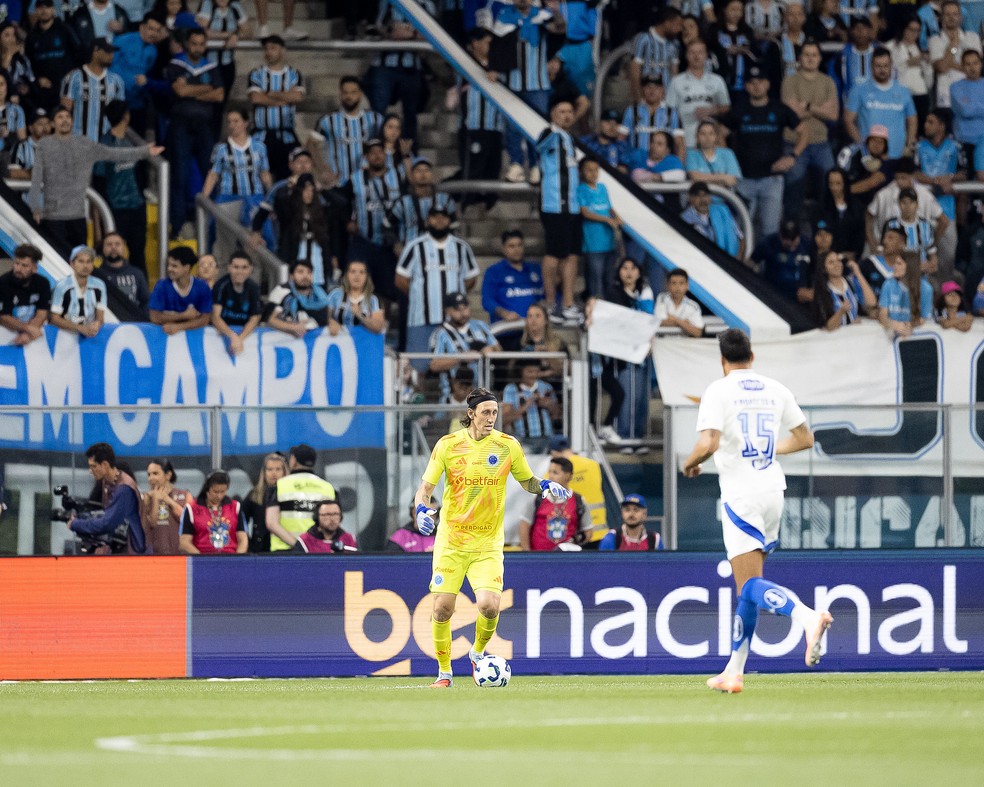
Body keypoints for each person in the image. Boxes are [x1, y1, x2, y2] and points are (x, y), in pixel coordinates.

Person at [682, 328, 832, 694]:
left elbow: (709, 442)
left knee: (749, 585)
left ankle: (807, 616)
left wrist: (689, 464)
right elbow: (805, 439)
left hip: (742, 494)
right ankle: (733, 671)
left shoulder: (718, 390)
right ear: (752, 356)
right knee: (748, 589)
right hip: (772, 491)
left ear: (722, 360)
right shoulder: (775, 388)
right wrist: (766, 448)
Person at [412, 386, 573, 687]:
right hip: (451, 541)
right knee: (442, 608)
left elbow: (527, 480)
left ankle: (477, 652)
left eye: (495, 413)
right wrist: (421, 509)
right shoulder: (448, 445)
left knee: (489, 606)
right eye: (485, 412)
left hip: (487, 543)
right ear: (471, 413)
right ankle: (445, 673)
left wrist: (545, 486)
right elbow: (426, 489)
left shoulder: (507, 446)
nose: (491, 418)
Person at [28, 105, 162, 253]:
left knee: (80, 258)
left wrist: (145, 151)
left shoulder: (84, 144)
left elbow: (113, 154)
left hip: (77, 215)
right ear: (53, 123)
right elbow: (36, 178)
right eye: (60, 117)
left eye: (67, 117)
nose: (65, 120)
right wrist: (35, 207)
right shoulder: (44, 145)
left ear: (72, 120)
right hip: (53, 217)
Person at [721, 64, 808, 241]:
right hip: (744, 179)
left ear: (767, 84)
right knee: (741, 231)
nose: (756, 86)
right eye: (752, 82)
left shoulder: (779, 109)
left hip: (772, 180)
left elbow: (804, 131)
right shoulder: (739, 109)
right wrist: (729, 163)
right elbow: (720, 133)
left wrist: (793, 156)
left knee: (771, 231)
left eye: (760, 81)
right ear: (746, 86)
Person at [493, 0, 566, 184]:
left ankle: (536, 165)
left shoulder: (542, 16)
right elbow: (496, 46)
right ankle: (516, 164)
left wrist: (556, 12)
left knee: (538, 126)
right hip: (511, 83)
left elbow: (560, 29)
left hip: (537, 84)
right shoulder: (504, 17)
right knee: (512, 127)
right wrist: (493, 68)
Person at [165, 26, 225, 239]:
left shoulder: (211, 66)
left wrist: (191, 90)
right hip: (180, 126)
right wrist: (206, 89)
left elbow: (219, 95)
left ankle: (212, 226)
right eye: (194, 44)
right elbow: (179, 92)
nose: (198, 48)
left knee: (211, 174)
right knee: (179, 176)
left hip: (205, 127)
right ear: (187, 44)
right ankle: (177, 225)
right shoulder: (176, 65)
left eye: (201, 44)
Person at [395, 205, 479, 353]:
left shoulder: (461, 247)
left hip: (455, 320)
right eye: (435, 217)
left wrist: (456, 296)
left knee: (455, 362)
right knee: (420, 362)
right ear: (428, 220)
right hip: (421, 319)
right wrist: (419, 295)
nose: (439, 220)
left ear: (449, 221)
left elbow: (471, 278)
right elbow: (400, 279)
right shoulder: (415, 246)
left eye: (443, 217)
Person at [202, 108, 273, 268]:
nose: (232, 125)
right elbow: (213, 175)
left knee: (259, 240)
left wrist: (271, 196)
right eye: (229, 122)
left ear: (246, 123)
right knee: (224, 241)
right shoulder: (221, 149)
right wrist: (204, 199)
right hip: (228, 198)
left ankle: (256, 275)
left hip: (255, 198)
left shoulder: (259, 147)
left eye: (236, 121)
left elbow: (265, 174)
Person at [781, 40, 839, 219]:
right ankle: (791, 227)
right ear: (799, 58)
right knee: (794, 189)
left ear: (820, 58)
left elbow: (833, 115)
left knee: (832, 185)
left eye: (814, 55)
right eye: (806, 55)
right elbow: (792, 113)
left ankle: (827, 223)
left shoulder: (828, 82)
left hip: (821, 143)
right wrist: (820, 109)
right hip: (794, 143)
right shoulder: (789, 81)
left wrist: (807, 105)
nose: (810, 59)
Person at [537, 98, 582, 325]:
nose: (566, 115)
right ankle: (550, 303)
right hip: (555, 204)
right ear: (553, 114)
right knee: (553, 253)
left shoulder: (571, 138)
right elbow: (539, 148)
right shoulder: (549, 134)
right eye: (561, 111)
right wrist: (553, 130)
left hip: (573, 205)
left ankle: (568, 304)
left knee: (572, 254)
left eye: (570, 111)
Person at [94, 100, 149, 275]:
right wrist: (99, 219)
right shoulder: (104, 144)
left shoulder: (132, 141)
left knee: (138, 254)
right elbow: (98, 182)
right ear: (126, 116)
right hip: (115, 209)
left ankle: (140, 288)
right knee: (113, 256)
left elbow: (141, 173)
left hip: (137, 205)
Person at [69, 442, 146, 554]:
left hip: (132, 553)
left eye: (93, 466)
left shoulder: (124, 489)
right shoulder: (108, 482)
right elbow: (106, 514)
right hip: (119, 549)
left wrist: (75, 524)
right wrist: (83, 517)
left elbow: (108, 524)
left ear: (105, 465)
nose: (90, 471)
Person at [247, 33, 305, 181]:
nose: (268, 52)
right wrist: (284, 98)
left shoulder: (294, 74)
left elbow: (297, 97)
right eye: (266, 48)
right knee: (259, 176)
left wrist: (271, 93)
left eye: (273, 48)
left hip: (286, 134)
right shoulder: (256, 73)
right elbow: (255, 98)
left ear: (282, 50)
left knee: (289, 175)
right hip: (261, 134)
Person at [843, 47, 917, 161]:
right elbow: (848, 120)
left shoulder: (903, 91)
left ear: (891, 66)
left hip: (898, 156)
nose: (882, 70)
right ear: (871, 66)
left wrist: (909, 145)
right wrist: (862, 147)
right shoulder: (859, 90)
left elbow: (912, 120)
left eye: (885, 66)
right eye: (878, 66)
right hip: (870, 158)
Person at [311, 75, 383, 187]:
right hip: (338, 183)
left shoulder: (375, 119)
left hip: (368, 182)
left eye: (353, 92)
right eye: (345, 92)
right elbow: (311, 144)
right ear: (340, 94)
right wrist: (323, 169)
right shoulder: (327, 120)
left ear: (360, 94)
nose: (349, 96)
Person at [429, 291, 501, 402]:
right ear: (447, 311)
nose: (463, 313)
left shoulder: (480, 326)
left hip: (484, 395)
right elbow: (434, 365)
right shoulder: (440, 333)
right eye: (457, 309)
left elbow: (499, 349)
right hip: (452, 398)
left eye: (465, 308)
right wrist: (461, 357)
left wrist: (490, 350)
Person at [480, 229, 544, 348]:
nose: (516, 250)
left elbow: (545, 296)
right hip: (506, 333)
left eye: (520, 245)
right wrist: (504, 313)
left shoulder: (535, 269)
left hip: (533, 333)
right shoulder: (494, 272)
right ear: (503, 249)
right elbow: (487, 301)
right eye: (511, 246)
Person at [265, 443, 336, 551]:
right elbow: (333, 522)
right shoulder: (328, 487)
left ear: (293, 460)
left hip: (285, 551)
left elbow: (271, 523)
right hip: (317, 551)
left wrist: (299, 545)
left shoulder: (279, 486)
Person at [666, 38, 731, 149]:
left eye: (700, 52)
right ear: (686, 55)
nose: (696, 56)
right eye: (692, 52)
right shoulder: (676, 81)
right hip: (686, 140)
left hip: (712, 141)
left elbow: (726, 107)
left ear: (706, 55)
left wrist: (712, 110)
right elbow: (669, 111)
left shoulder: (717, 80)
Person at [109, 13, 167, 136]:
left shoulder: (153, 51)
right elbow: (108, 65)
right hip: (116, 99)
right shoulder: (122, 41)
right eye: (151, 29)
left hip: (137, 102)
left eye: (157, 30)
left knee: (136, 138)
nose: (153, 33)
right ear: (142, 27)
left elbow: (147, 71)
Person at [60, 38, 125, 141]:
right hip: (79, 141)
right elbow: (64, 111)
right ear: (95, 51)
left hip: (106, 143)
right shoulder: (73, 77)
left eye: (112, 52)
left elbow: (120, 115)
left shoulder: (117, 81)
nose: (111, 55)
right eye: (107, 51)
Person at [519, 455, 590, 550]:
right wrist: (527, 554)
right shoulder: (537, 498)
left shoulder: (579, 501)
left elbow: (588, 531)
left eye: (555, 473)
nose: (551, 476)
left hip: (566, 557)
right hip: (539, 556)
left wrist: (574, 542)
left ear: (567, 476)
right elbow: (524, 526)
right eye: (550, 472)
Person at [578, 158, 623, 300]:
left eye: (596, 170)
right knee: (595, 279)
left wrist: (617, 218)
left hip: (609, 241)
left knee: (609, 279)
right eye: (589, 170)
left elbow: (609, 208)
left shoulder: (603, 188)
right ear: (581, 171)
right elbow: (585, 212)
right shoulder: (581, 189)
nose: (593, 173)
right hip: (593, 245)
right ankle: (595, 307)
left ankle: (608, 306)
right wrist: (607, 220)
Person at [179, 469, 248, 555]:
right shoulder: (191, 508)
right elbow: (184, 542)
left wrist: (238, 558)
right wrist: (202, 559)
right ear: (207, 489)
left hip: (230, 557)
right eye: (215, 492)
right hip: (202, 557)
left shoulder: (235, 507)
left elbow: (243, 539)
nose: (219, 496)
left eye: (223, 491)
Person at [914, 110, 966, 224]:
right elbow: (915, 174)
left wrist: (949, 177)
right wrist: (936, 181)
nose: (925, 125)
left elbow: (964, 174)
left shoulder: (955, 146)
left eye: (930, 122)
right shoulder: (919, 147)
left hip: (948, 210)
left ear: (942, 126)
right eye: (926, 122)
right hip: (924, 211)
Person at [928, 1, 981, 109]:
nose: (951, 18)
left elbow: (975, 69)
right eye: (947, 14)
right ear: (941, 17)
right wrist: (953, 46)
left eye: (955, 14)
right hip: (946, 96)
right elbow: (942, 68)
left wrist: (950, 63)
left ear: (960, 17)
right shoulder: (935, 40)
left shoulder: (973, 37)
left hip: (971, 94)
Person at [148, 246, 213, 334]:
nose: (169, 269)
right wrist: (183, 315)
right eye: (169, 265)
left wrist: (179, 327)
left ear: (186, 267)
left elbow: (205, 319)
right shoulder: (162, 286)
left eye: (174, 266)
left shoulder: (202, 287)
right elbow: (154, 317)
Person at [501, 357, 559, 449]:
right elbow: (505, 419)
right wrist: (527, 405)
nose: (534, 375)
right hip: (522, 439)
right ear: (520, 372)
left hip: (547, 437)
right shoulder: (511, 389)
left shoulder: (546, 387)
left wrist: (550, 406)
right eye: (530, 372)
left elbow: (557, 415)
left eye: (537, 372)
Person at [211, 252, 262, 356]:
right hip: (223, 331)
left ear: (250, 269)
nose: (240, 271)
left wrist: (240, 338)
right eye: (236, 267)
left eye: (244, 267)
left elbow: (255, 318)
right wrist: (232, 336)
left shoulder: (254, 288)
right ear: (229, 268)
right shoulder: (221, 285)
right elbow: (215, 317)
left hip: (244, 332)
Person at [49, 245, 106, 337]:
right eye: (81, 261)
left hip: (89, 336)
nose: (85, 266)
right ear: (72, 264)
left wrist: (97, 324)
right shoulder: (62, 286)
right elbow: (54, 319)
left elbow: (100, 317)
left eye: (89, 261)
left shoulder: (100, 285)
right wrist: (80, 328)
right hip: (63, 335)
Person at [623, 74, 685, 159]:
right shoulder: (631, 111)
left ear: (662, 90)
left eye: (656, 87)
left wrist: (679, 164)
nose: (652, 91)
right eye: (648, 87)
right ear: (642, 89)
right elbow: (621, 139)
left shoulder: (672, 113)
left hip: (663, 163)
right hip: (636, 162)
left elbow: (679, 144)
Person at [751, 219, 814, 303]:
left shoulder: (807, 245)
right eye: (787, 242)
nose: (791, 246)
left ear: (799, 235)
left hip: (800, 297)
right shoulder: (768, 243)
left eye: (794, 240)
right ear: (780, 236)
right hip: (773, 293)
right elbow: (751, 262)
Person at [0, 244, 51, 346]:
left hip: (31, 328)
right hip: (6, 329)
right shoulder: (3, 282)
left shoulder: (43, 283)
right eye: (17, 263)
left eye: (24, 266)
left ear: (34, 268)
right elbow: (3, 317)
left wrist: (28, 333)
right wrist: (28, 329)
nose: (18, 269)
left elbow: (42, 312)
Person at [628, 6, 683, 101]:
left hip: (666, 100)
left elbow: (674, 73)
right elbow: (634, 72)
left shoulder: (675, 44)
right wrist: (639, 99)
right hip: (646, 99)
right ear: (667, 23)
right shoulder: (643, 39)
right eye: (677, 25)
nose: (679, 29)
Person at [266, 259, 332, 337]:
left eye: (309, 272)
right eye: (300, 272)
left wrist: (332, 323)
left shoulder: (319, 293)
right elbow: (269, 319)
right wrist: (293, 327)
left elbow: (329, 314)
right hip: (285, 338)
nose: (305, 276)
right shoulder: (282, 291)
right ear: (291, 276)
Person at [812, 250, 877, 330]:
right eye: (831, 262)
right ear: (824, 269)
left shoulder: (851, 282)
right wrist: (841, 312)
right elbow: (829, 327)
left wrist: (858, 273)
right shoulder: (823, 291)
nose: (837, 264)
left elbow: (872, 303)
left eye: (838, 260)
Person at [681, 181, 745, 259]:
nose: (702, 200)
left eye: (705, 195)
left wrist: (738, 259)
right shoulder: (684, 219)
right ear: (691, 198)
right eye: (698, 196)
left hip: (731, 260)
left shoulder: (722, 211)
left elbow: (741, 238)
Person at [93, 231, 149, 320]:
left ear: (124, 248)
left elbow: (145, 302)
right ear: (103, 249)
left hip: (133, 323)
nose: (113, 247)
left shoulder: (137, 274)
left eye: (117, 244)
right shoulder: (97, 275)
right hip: (107, 322)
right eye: (109, 244)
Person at [141, 458, 190, 556]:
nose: (151, 478)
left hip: (180, 556)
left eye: (155, 473)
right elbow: (150, 524)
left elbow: (188, 521)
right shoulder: (146, 498)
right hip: (154, 556)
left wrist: (167, 499)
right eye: (149, 474)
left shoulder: (184, 495)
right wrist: (154, 500)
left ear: (168, 475)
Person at [326, 258, 387, 336]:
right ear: (347, 275)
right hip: (338, 340)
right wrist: (330, 322)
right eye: (353, 271)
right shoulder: (335, 294)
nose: (357, 275)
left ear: (367, 277)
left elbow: (379, 328)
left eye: (361, 272)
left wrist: (360, 315)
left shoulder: (374, 299)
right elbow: (323, 317)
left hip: (363, 341)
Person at [242, 451, 288, 553]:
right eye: (270, 469)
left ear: (284, 472)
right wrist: (247, 542)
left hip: (285, 547)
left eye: (278, 469)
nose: (274, 473)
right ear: (264, 472)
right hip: (260, 549)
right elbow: (241, 519)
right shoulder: (255, 494)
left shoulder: (290, 494)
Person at [819, 167, 866, 260]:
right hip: (828, 257)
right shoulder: (822, 206)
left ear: (845, 183)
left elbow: (860, 233)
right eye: (831, 184)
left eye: (838, 183)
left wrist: (854, 253)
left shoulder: (856, 206)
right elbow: (820, 230)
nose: (834, 188)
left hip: (851, 256)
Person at [949, 50, 984, 169]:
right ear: (962, 67)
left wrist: (972, 105)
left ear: (981, 64)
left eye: (975, 63)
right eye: (968, 64)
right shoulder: (955, 87)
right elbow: (965, 111)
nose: (972, 68)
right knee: (966, 177)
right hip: (964, 141)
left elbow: (969, 108)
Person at [290, 498, 358, 553]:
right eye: (327, 514)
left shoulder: (350, 539)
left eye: (336, 514)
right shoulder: (305, 541)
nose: (332, 519)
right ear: (317, 517)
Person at [878, 255, 922, 337]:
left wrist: (911, 326)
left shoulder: (921, 287)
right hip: (891, 335)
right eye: (894, 263)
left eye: (899, 264)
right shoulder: (888, 285)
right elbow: (882, 315)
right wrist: (893, 324)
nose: (894, 266)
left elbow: (923, 317)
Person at [655, 268, 704, 337]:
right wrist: (686, 323)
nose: (677, 287)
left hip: (684, 342)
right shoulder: (662, 298)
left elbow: (698, 332)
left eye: (681, 283)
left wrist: (676, 320)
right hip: (663, 341)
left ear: (687, 285)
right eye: (674, 283)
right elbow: (660, 322)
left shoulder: (693, 306)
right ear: (668, 285)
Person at [9, 107, 51, 181]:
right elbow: (13, 172)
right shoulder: (21, 146)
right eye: (40, 124)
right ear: (31, 128)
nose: (45, 128)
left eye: (47, 123)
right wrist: (31, 173)